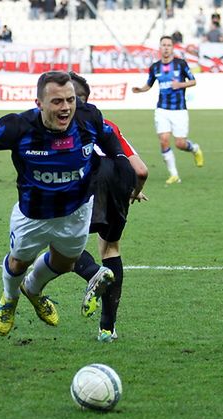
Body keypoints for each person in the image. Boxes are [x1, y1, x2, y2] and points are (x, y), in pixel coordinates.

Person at [0, 71, 128, 337]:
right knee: (18, 263)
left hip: (76, 212)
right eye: (56, 102)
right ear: (39, 103)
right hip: (33, 215)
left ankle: (32, 290)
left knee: (65, 263)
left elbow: (107, 135)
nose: (65, 107)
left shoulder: (88, 117)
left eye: (69, 100)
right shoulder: (18, 127)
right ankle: (9, 298)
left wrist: (120, 157)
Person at [69, 72, 148, 343]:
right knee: (111, 248)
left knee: (61, 246)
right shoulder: (109, 125)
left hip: (88, 181)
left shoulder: (61, 125)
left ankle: (93, 273)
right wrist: (134, 194)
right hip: (120, 182)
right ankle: (107, 328)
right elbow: (141, 170)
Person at [132, 35, 203, 185]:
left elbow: (193, 81)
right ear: (160, 47)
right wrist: (140, 90)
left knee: (180, 144)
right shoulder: (155, 67)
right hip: (162, 109)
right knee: (164, 140)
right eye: (163, 45)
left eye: (168, 45)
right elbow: (149, 84)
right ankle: (174, 175)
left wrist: (180, 85)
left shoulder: (180, 64)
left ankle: (195, 149)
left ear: (172, 48)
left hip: (179, 109)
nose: (166, 47)